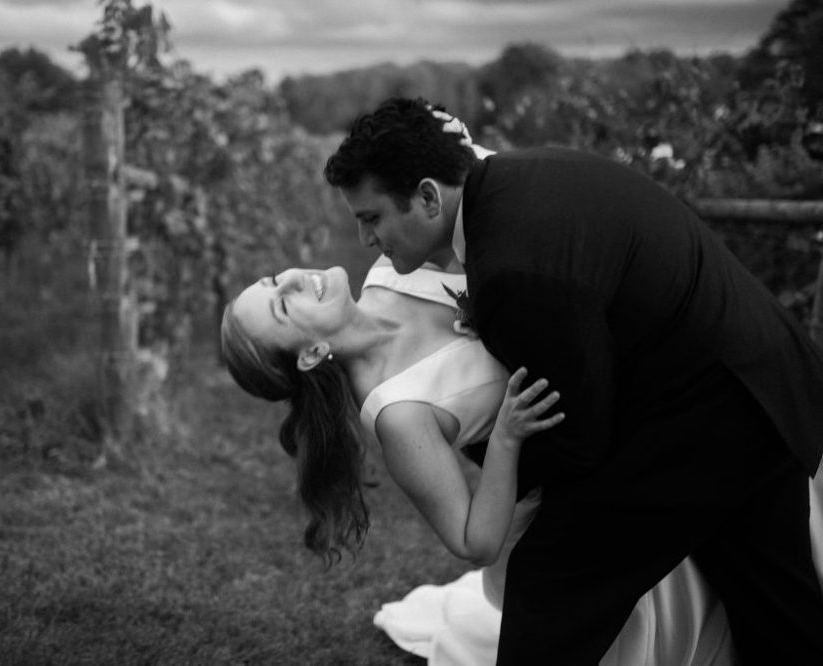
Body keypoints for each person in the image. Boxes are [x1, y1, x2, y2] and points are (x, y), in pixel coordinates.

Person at [322, 97, 823, 664]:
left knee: (549, 581)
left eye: (372, 218)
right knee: (777, 608)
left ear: (429, 197)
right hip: (764, 381)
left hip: (708, 420)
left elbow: (578, 434)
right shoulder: (526, 175)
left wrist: (504, 460)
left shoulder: (508, 269)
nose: (366, 238)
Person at [220, 256, 823, 664]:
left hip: (642, 418)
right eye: (281, 306)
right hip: (587, 490)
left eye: (273, 280)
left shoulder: (394, 263)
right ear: (311, 354)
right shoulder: (397, 412)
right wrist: (506, 439)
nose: (291, 280)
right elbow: (474, 540)